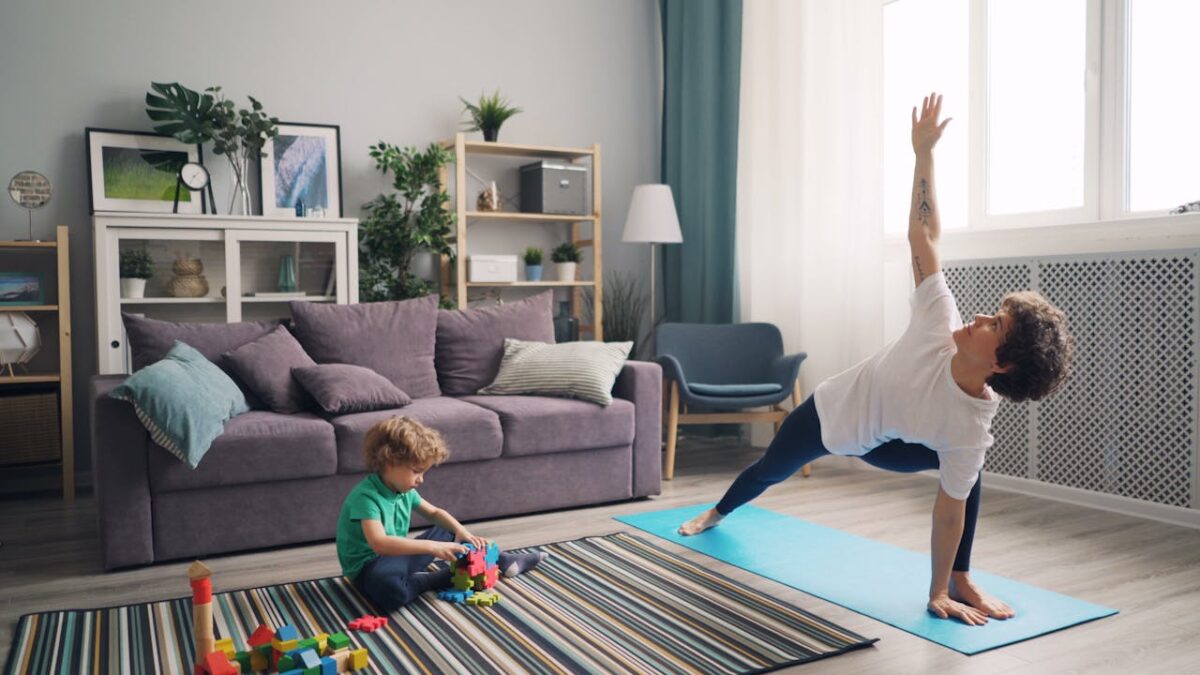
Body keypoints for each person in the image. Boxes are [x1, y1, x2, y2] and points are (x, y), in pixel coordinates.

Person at [678, 93, 1074, 626]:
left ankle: (960, 579)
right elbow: (924, 235)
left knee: (966, 470)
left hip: (894, 444)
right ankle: (717, 511)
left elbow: (948, 509)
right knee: (772, 468)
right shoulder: (939, 320)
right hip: (836, 417)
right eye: (990, 312)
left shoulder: (971, 423)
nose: (979, 316)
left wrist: (936, 593)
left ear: (1002, 364)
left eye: (995, 324)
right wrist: (923, 154)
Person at [336, 416, 546, 611]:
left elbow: (435, 512)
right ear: (390, 462)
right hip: (369, 569)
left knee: (447, 530)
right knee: (391, 594)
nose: (421, 479)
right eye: (416, 471)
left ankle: (501, 559)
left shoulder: (403, 490)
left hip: (396, 557)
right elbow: (379, 543)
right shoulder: (366, 497)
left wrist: (462, 532)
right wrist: (432, 547)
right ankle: (445, 577)